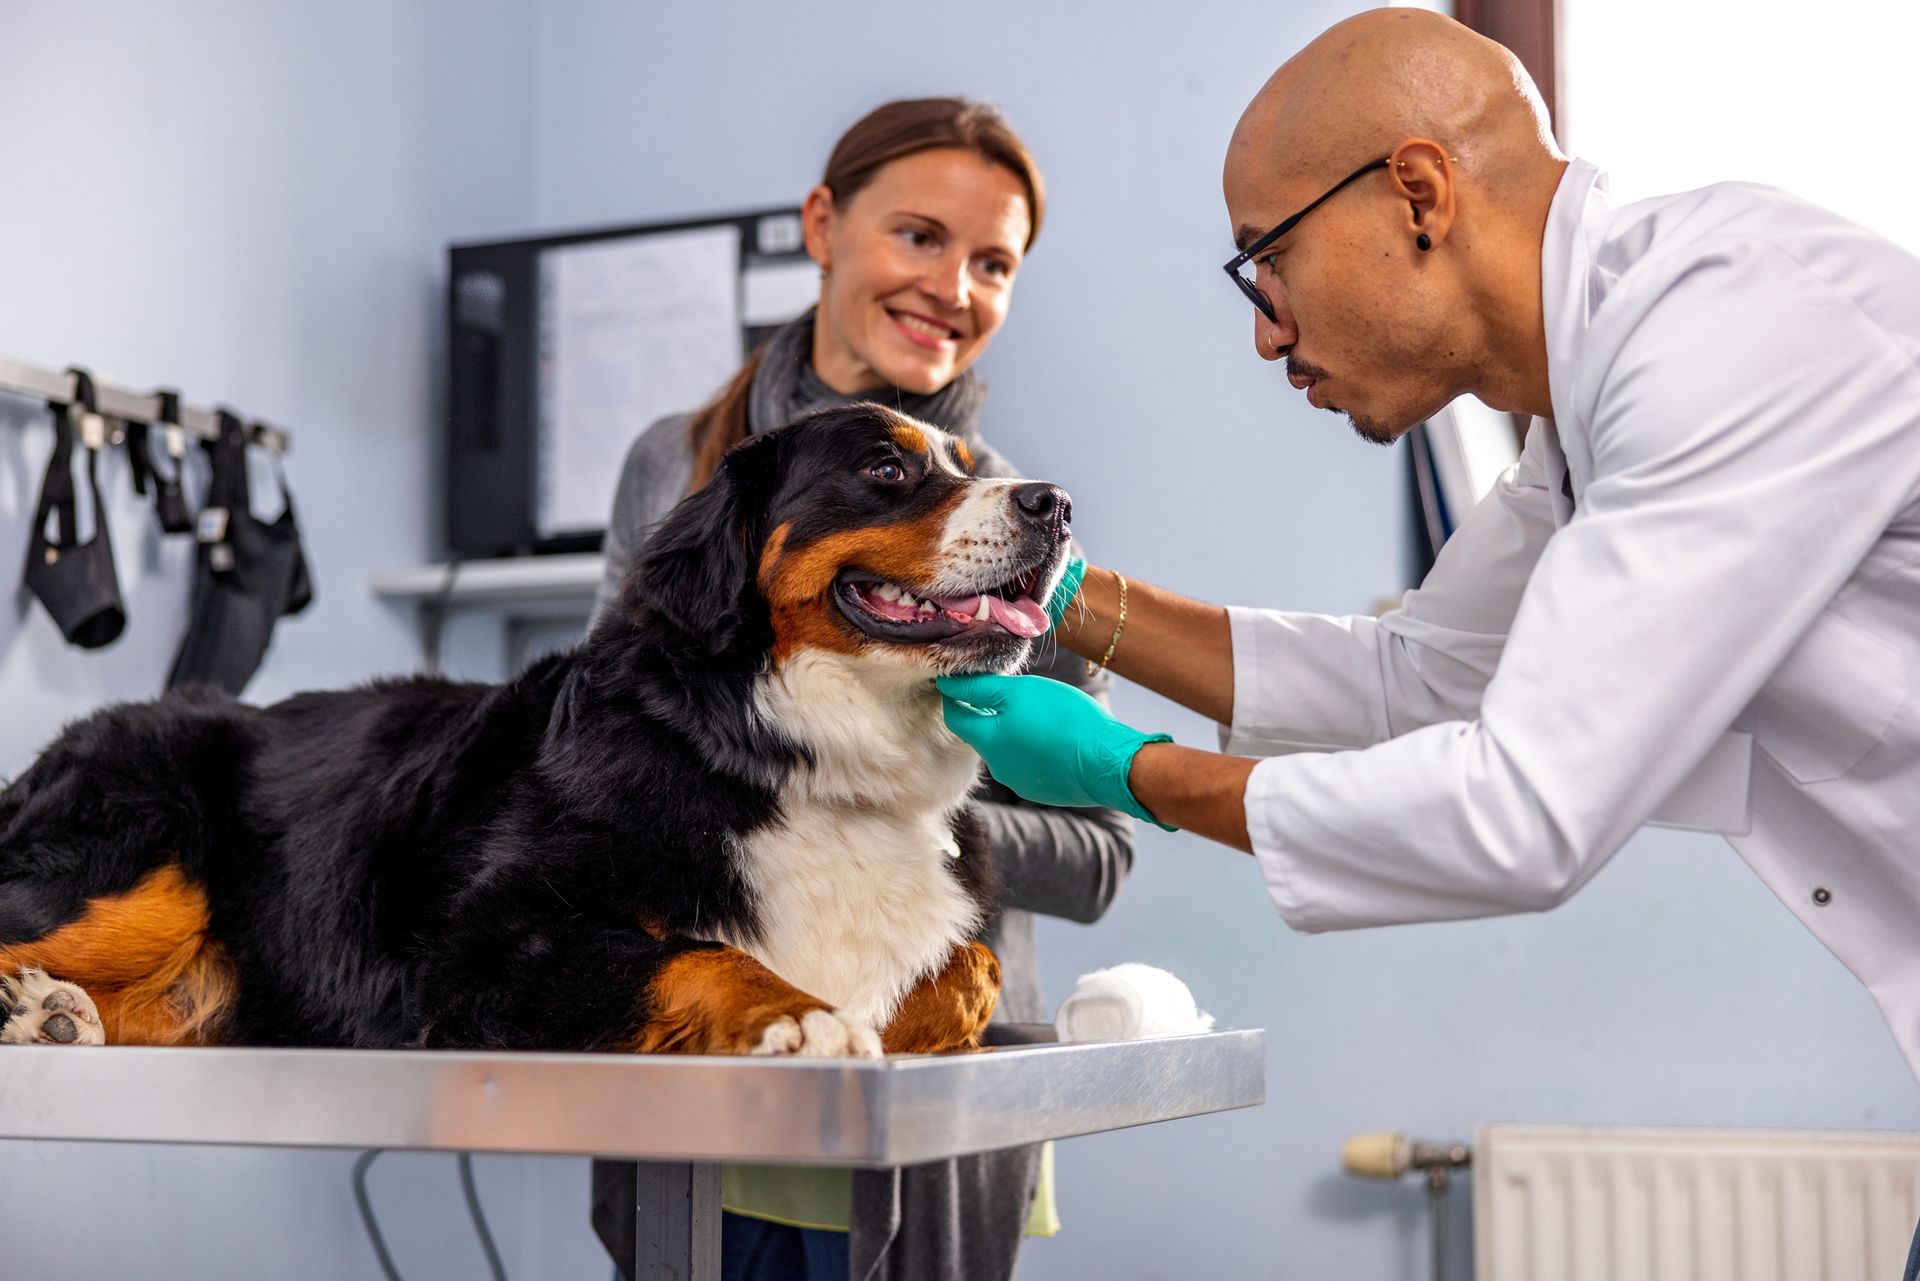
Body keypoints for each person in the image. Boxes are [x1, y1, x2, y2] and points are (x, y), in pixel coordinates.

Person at [938, 4, 1920, 1252]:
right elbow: (1413, 679)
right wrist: (1066, 594)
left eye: (1267, 261)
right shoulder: (1583, 424)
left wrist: (1131, 774)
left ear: (1416, 193)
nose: (1264, 330)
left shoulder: (1728, 333)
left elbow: (1524, 812)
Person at [585, 97, 1135, 1281]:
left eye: (996, 262)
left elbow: (1103, 857)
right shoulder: (675, 471)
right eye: (921, 236)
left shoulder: (1019, 529)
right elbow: (585, 756)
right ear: (824, 224)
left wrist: (870, 823)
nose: (955, 286)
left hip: (923, 1071)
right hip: (702, 1052)